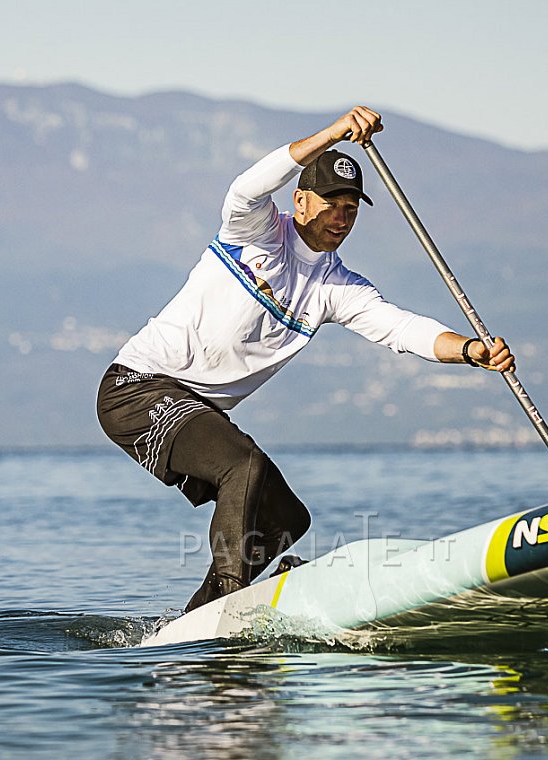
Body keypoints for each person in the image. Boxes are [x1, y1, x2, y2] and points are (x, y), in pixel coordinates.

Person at [97, 106, 514, 612]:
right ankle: (232, 601)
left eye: (351, 208)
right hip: (136, 389)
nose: (341, 217)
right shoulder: (257, 233)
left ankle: (203, 615)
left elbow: (402, 328)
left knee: (286, 519)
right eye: (331, 203)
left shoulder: (337, 288)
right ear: (299, 200)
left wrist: (471, 350)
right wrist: (334, 132)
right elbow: (247, 188)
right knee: (243, 467)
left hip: (196, 408)